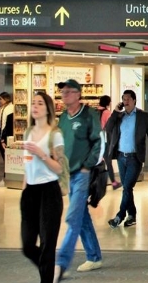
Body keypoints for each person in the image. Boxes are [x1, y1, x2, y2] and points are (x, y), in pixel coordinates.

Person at [54, 79, 104, 282]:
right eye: (62, 92)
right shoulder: (63, 117)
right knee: (81, 216)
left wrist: (87, 165)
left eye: (68, 91)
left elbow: (100, 142)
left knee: (73, 217)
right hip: (69, 174)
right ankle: (94, 256)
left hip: (82, 174)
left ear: (77, 94)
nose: (64, 95)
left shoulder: (89, 115)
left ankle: (60, 263)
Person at [21, 93, 65, 283]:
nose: (35, 106)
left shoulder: (55, 135)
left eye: (40, 103)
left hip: (49, 193)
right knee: (28, 245)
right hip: (30, 192)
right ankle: (50, 267)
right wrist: (24, 189)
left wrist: (42, 154)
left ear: (48, 108)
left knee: (47, 245)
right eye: (33, 103)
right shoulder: (28, 132)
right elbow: (26, 165)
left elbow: (59, 167)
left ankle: (47, 273)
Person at [106, 89, 148, 228]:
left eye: (128, 99)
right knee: (128, 188)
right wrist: (115, 112)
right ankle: (132, 215)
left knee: (127, 187)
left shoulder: (142, 116)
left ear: (134, 100)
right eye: (123, 99)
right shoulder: (120, 116)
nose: (125, 101)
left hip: (135, 157)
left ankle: (119, 216)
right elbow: (108, 128)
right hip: (121, 156)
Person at [96, 95, 120, 190]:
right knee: (108, 161)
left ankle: (96, 182)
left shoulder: (94, 111)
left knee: (98, 161)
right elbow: (110, 126)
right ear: (107, 103)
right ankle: (113, 182)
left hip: (95, 140)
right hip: (104, 139)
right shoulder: (107, 113)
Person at [0, 91, 14, 186]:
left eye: (0, 99)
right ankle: (6, 178)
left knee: (7, 159)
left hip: (6, 137)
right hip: (2, 136)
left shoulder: (10, 109)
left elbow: (5, 125)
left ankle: (6, 178)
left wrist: (3, 138)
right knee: (6, 159)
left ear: (5, 99)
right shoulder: (3, 109)